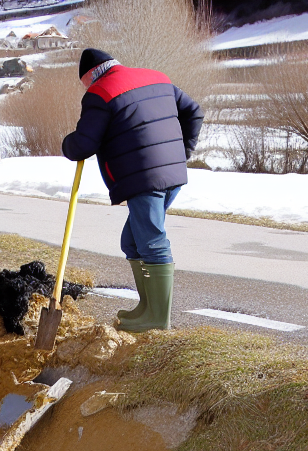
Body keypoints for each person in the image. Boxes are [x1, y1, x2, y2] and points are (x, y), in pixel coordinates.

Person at [61, 48, 204, 332]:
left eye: (85, 82)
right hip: (171, 173)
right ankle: (147, 307)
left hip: (144, 177)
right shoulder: (157, 77)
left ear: (90, 74)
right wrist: (181, 152)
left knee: (151, 240)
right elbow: (194, 112)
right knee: (132, 241)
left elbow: (85, 143)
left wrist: (68, 143)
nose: (87, 87)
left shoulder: (100, 92)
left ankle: (158, 318)